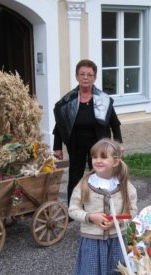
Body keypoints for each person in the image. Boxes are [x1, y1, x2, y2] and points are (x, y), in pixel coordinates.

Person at [68, 139, 137, 275]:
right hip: (93, 240)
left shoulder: (125, 186)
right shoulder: (85, 185)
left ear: (115, 161)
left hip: (117, 240)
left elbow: (132, 212)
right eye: (95, 156)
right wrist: (91, 217)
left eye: (103, 157)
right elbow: (73, 210)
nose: (97, 160)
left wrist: (118, 222)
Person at [53, 59, 123, 204]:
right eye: (82, 74)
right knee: (75, 176)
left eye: (90, 75)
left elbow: (114, 123)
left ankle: (101, 204)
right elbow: (60, 125)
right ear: (77, 77)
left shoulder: (103, 100)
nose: (86, 77)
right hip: (76, 144)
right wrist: (57, 147)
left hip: (99, 145)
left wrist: (118, 143)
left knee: (101, 174)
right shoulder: (67, 101)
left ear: (95, 78)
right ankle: (74, 207)